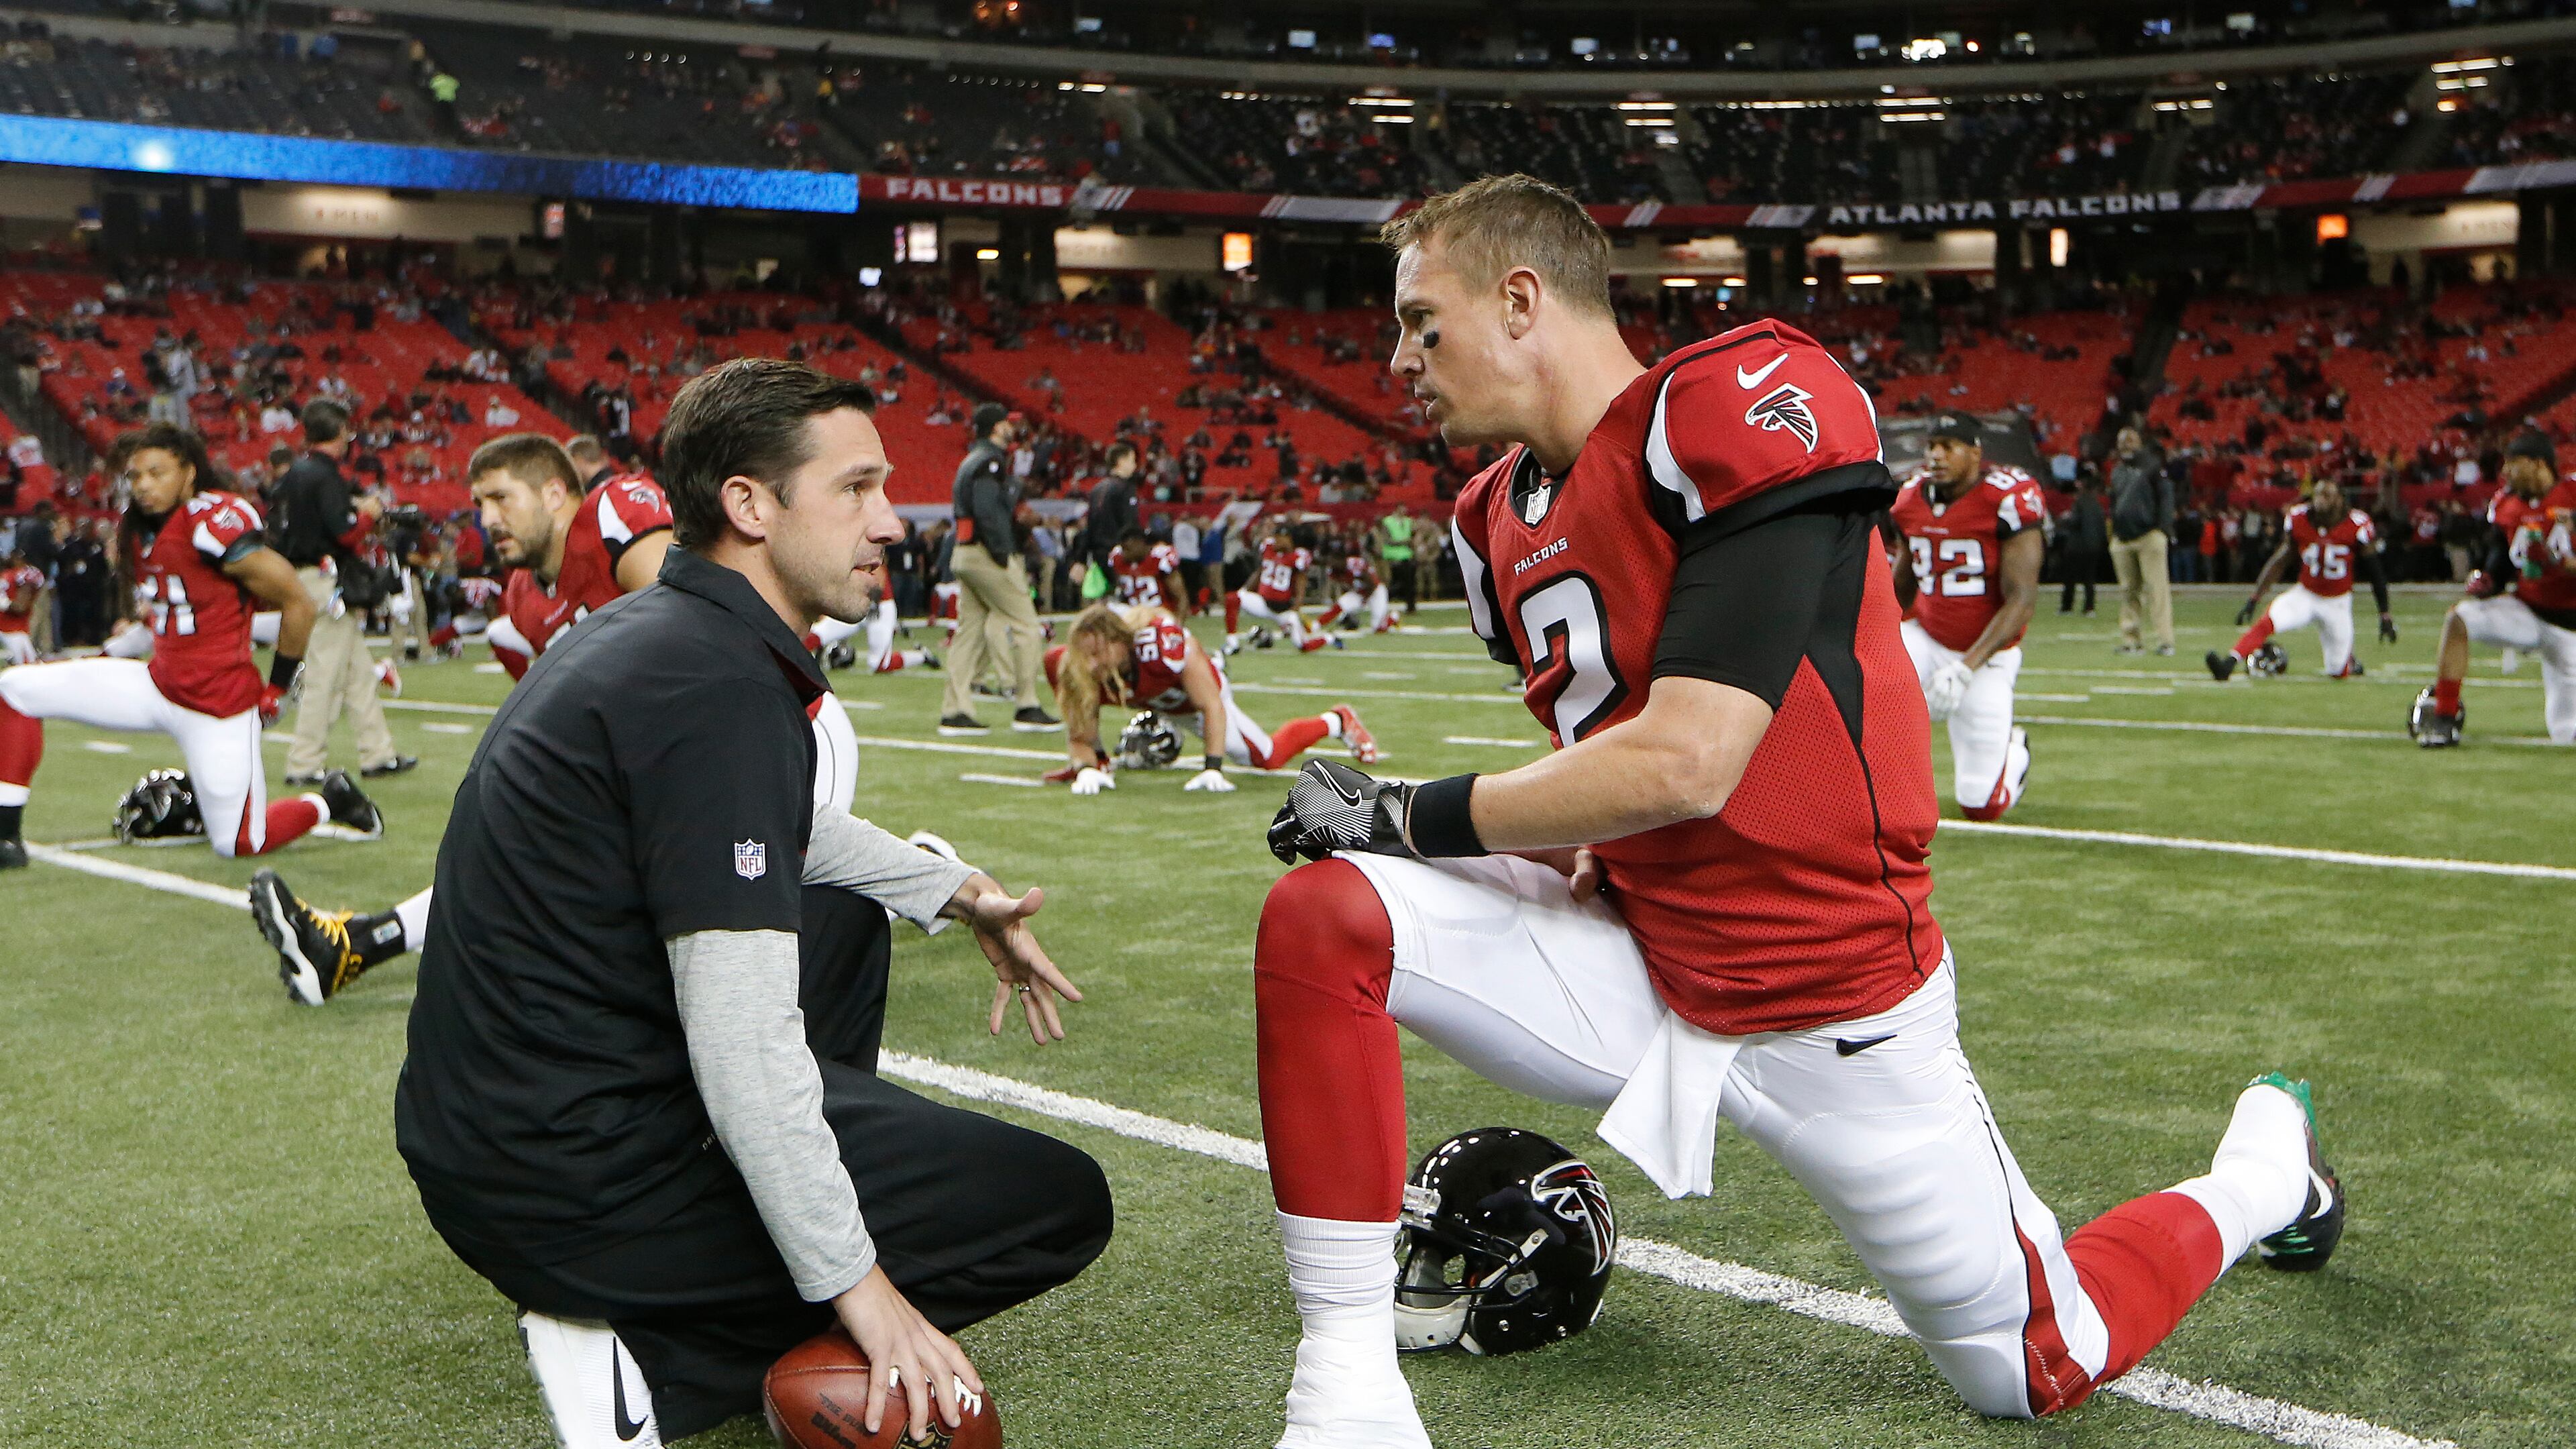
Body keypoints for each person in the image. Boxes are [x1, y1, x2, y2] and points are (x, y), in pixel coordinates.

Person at [1252, 176, 2341, 1448]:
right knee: (1326, 918)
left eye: (1419, 322)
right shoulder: (1495, 516)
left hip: (1839, 1013)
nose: (1397, 360)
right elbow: (1607, 768)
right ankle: (1346, 1398)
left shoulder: (1729, 402)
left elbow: (1693, 761)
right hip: (1654, 974)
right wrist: (1565, 839)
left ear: (1520, 301)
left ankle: (2265, 1173)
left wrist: (1399, 811)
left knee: (2039, 1366)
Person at [392, 359, 1111, 1449]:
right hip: (571, 1178)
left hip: (505, 1133)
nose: (890, 522)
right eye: (858, 490)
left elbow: (789, 829)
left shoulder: (668, 632)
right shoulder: (715, 682)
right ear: (749, 506)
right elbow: (743, 1048)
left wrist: (956, 894)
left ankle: (716, 1263)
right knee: (1058, 1201)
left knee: (843, 916)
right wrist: (862, 1291)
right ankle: (652, 1355)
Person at [248, 434, 866, 1006]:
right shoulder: (521, 600)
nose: (487, 519)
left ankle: (904, 886)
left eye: (500, 498)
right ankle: (356, 944)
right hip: (676, 755)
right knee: (534, 846)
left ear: (552, 492)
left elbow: (707, 634)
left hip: (780, 726)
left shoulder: (612, 514)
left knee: (775, 929)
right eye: (478, 503)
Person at [0, 425, 381, 870]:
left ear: (189, 474)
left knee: (241, 842)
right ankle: (6, 838)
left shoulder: (211, 522)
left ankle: (328, 803)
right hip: (157, 685)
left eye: (156, 473)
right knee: (15, 691)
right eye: (136, 476)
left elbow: (297, 601)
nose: (143, 485)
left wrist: (277, 686)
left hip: (216, 708)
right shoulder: (145, 526)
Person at [1045, 602, 1373, 796]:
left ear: (1119, 641)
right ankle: (1104, 762)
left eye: (1098, 652)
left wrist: (1212, 767)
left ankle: (1336, 720)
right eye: (1086, 654)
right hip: (1154, 700)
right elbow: (1079, 724)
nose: (1092, 663)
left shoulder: (1161, 647)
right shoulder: (1081, 666)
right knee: (1060, 668)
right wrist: (1086, 764)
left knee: (1267, 757)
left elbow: (1211, 704)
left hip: (1195, 699)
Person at [1888, 411, 2043, 820]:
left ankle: (2015, 751)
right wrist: (1869, 633)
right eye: (1931, 446)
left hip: (1987, 655)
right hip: (1925, 634)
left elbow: (2022, 599)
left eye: (1948, 447)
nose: (1936, 456)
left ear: (1975, 453)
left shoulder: (2007, 498)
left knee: (1981, 807)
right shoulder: (1911, 497)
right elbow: (1902, 581)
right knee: (1870, 687)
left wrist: (1965, 668)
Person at [272, 398, 415, 784]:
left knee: (357, 674)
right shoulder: (325, 476)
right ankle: (303, 763)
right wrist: (367, 515)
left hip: (300, 575)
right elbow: (345, 533)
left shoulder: (290, 476)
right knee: (324, 675)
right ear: (338, 434)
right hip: (324, 580)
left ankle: (378, 753)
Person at [2408, 429, 2575, 747]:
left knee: (2566, 737)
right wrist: (2487, 580)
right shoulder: (2506, 504)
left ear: (2539, 464)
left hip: (2571, 628)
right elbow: (2500, 559)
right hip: (2527, 611)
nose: (2506, 471)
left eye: (2514, 463)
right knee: (2460, 618)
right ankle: (2445, 717)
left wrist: (2561, 562)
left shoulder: (2572, 492)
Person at [936, 403, 1057, 737]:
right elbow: (987, 510)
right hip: (985, 553)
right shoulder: (990, 461)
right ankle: (1027, 704)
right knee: (1026, 626)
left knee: (969, 632)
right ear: (995, 427)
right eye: (1007, 423)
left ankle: (955, 710)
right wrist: (1003, 553)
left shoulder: (973, 460)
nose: (1011, 428)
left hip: (966, 552)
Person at [2206, 476, 2396, 682]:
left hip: (2337, 603)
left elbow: (2375, 572)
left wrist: (2384, 614)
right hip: (2306, 594)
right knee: (2268, 621)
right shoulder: (2299, 518)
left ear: (2340, 499)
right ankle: (2228, 664)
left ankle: (2348, 662)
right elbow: (2279, 562)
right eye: (2318, 494)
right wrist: (2254, 598)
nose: (2321, 500)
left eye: (2327, 495)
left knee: (2337, 672)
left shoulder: (2357, 524)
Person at [2105, 426, 2174, 655]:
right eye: (2122, 441)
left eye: (2131, 440)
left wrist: (2163, 529)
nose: (2126, 444)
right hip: (2123, 539)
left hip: (2149, 536)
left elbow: (2166, 496)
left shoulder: (2153, 465)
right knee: (2128, 592)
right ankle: (2131, 640)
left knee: (2157, 589)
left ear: (2139, 443)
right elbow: (2114, 502)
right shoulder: (2117, 471)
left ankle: (2165, 640)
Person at [1225, 520, 1337, 654]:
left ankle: (1330, 638)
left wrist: (1297, 606)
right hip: (1263, 603)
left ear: (1289, 539)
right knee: (1232, 598)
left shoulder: (1298, 557)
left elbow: (1301, 583)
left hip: (1284, 610)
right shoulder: (1268, 547)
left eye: (1279, 538)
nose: (1275, 541)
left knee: (1303, 646)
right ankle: (1233, 644)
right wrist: (1244, 590)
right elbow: (1260, 571)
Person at [1107, 527, 1186, 614]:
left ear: (1140, 543)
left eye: (1128, 549)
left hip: (1159, 613)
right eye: (1123, 550)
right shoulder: (1117, 558)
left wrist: (1177, 625)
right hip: (1132, 613)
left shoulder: (1160, 558)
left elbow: (1181, 597)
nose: (1124, 554)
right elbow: (1119, 589)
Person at [2059, 473, 2107, 614]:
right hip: (2093, 546)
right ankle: (2089, 607)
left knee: (2070, 578)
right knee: (2089, 579)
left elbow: (2075, 522)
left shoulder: (2079, 503)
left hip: (2076, 546)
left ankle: (2067, 607)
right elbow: (2101, 526)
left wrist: (2065, 519)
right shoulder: (2097, 504)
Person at [1318, 547, 1393, 634]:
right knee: (1340, 605)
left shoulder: (1355, 564)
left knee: (1378, 628)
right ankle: (1316, 625)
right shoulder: (1333, 571)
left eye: (1334, 560)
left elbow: (1371, 583)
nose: (1332, 563)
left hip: (1375, 591)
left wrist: (1365, 599)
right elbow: (1345, 586)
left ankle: (1393, 618)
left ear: (1343, 559)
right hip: (1358, 592)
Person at [1375, 501, 1419, 616]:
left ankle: (1411, 607)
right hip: (1393, 557)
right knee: (1395, 583)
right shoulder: (1388, 522)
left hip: (1407, 556)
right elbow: (1387, 540)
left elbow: (1413, 536)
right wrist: (1404, 542)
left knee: (1410, 583)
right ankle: (1382, 604)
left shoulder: (1409, 522)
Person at [0, 542, 40, 665]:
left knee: (30, 662)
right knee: (24, 665)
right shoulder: (9, 577)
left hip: (17, 629)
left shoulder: (20, 575)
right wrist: (9, 605)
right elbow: (17, 606)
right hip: (9, 629)